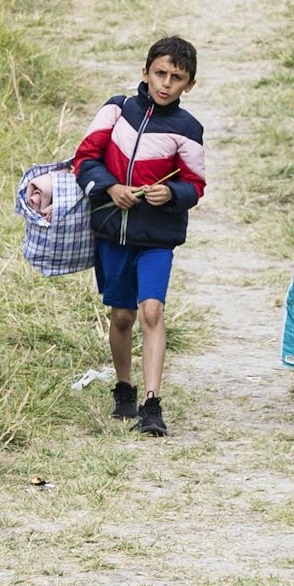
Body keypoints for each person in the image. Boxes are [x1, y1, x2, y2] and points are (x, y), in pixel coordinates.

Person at [74, 37, 207, 437]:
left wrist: (173, 194)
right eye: (160, 73)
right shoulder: (117, 110)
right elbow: (85, 159)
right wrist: (111, 187)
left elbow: (196, 185)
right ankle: (124, 387)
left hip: (157, 237)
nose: (166, 84)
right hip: (112, 232)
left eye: (177, 78)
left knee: (151, 311)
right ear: (145, 72)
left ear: (189, 85)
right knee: (122, 316)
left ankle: (152, 404)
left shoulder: (188, 129)